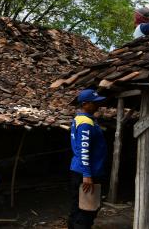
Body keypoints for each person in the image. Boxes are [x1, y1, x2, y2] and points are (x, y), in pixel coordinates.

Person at [67, 89, 107, 229]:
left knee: (77, 208)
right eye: (94, 103)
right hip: (87, 172)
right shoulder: (85, 123)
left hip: (80, 170)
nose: (98, 105)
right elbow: (83, 150)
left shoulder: (81, 119)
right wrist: (87, 175)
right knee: (87, 211)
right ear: (85, 104)